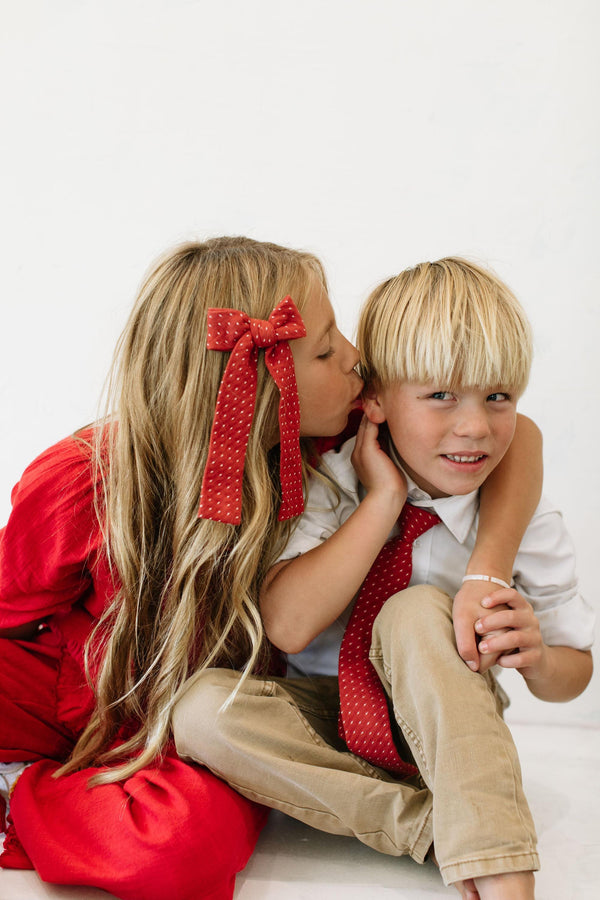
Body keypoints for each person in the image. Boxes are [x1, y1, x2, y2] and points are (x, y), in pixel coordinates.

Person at [0, 239, 541, 900]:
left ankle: (30, 796)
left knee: (185, 842)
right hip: (74, 690)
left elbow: (519, 434)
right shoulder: (82, 480)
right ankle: (30, 784)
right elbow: (11, 608)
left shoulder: (327, 435)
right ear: (254, 385)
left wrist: (487, 572)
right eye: (327, 349)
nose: (355, 357)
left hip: (206, 721)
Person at [173, 257, 594, 900]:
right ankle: (438, 828)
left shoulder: (520, 510)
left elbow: (575, 673)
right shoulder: (330, 480)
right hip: (329, 715)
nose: (475, 427)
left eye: (498, 397)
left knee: (415, 609)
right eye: (440, 396)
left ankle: (500, 865)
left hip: (456, 725)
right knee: (200, 711)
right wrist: (382, 501)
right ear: (373, 398)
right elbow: (287, 626)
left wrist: (537, 660)